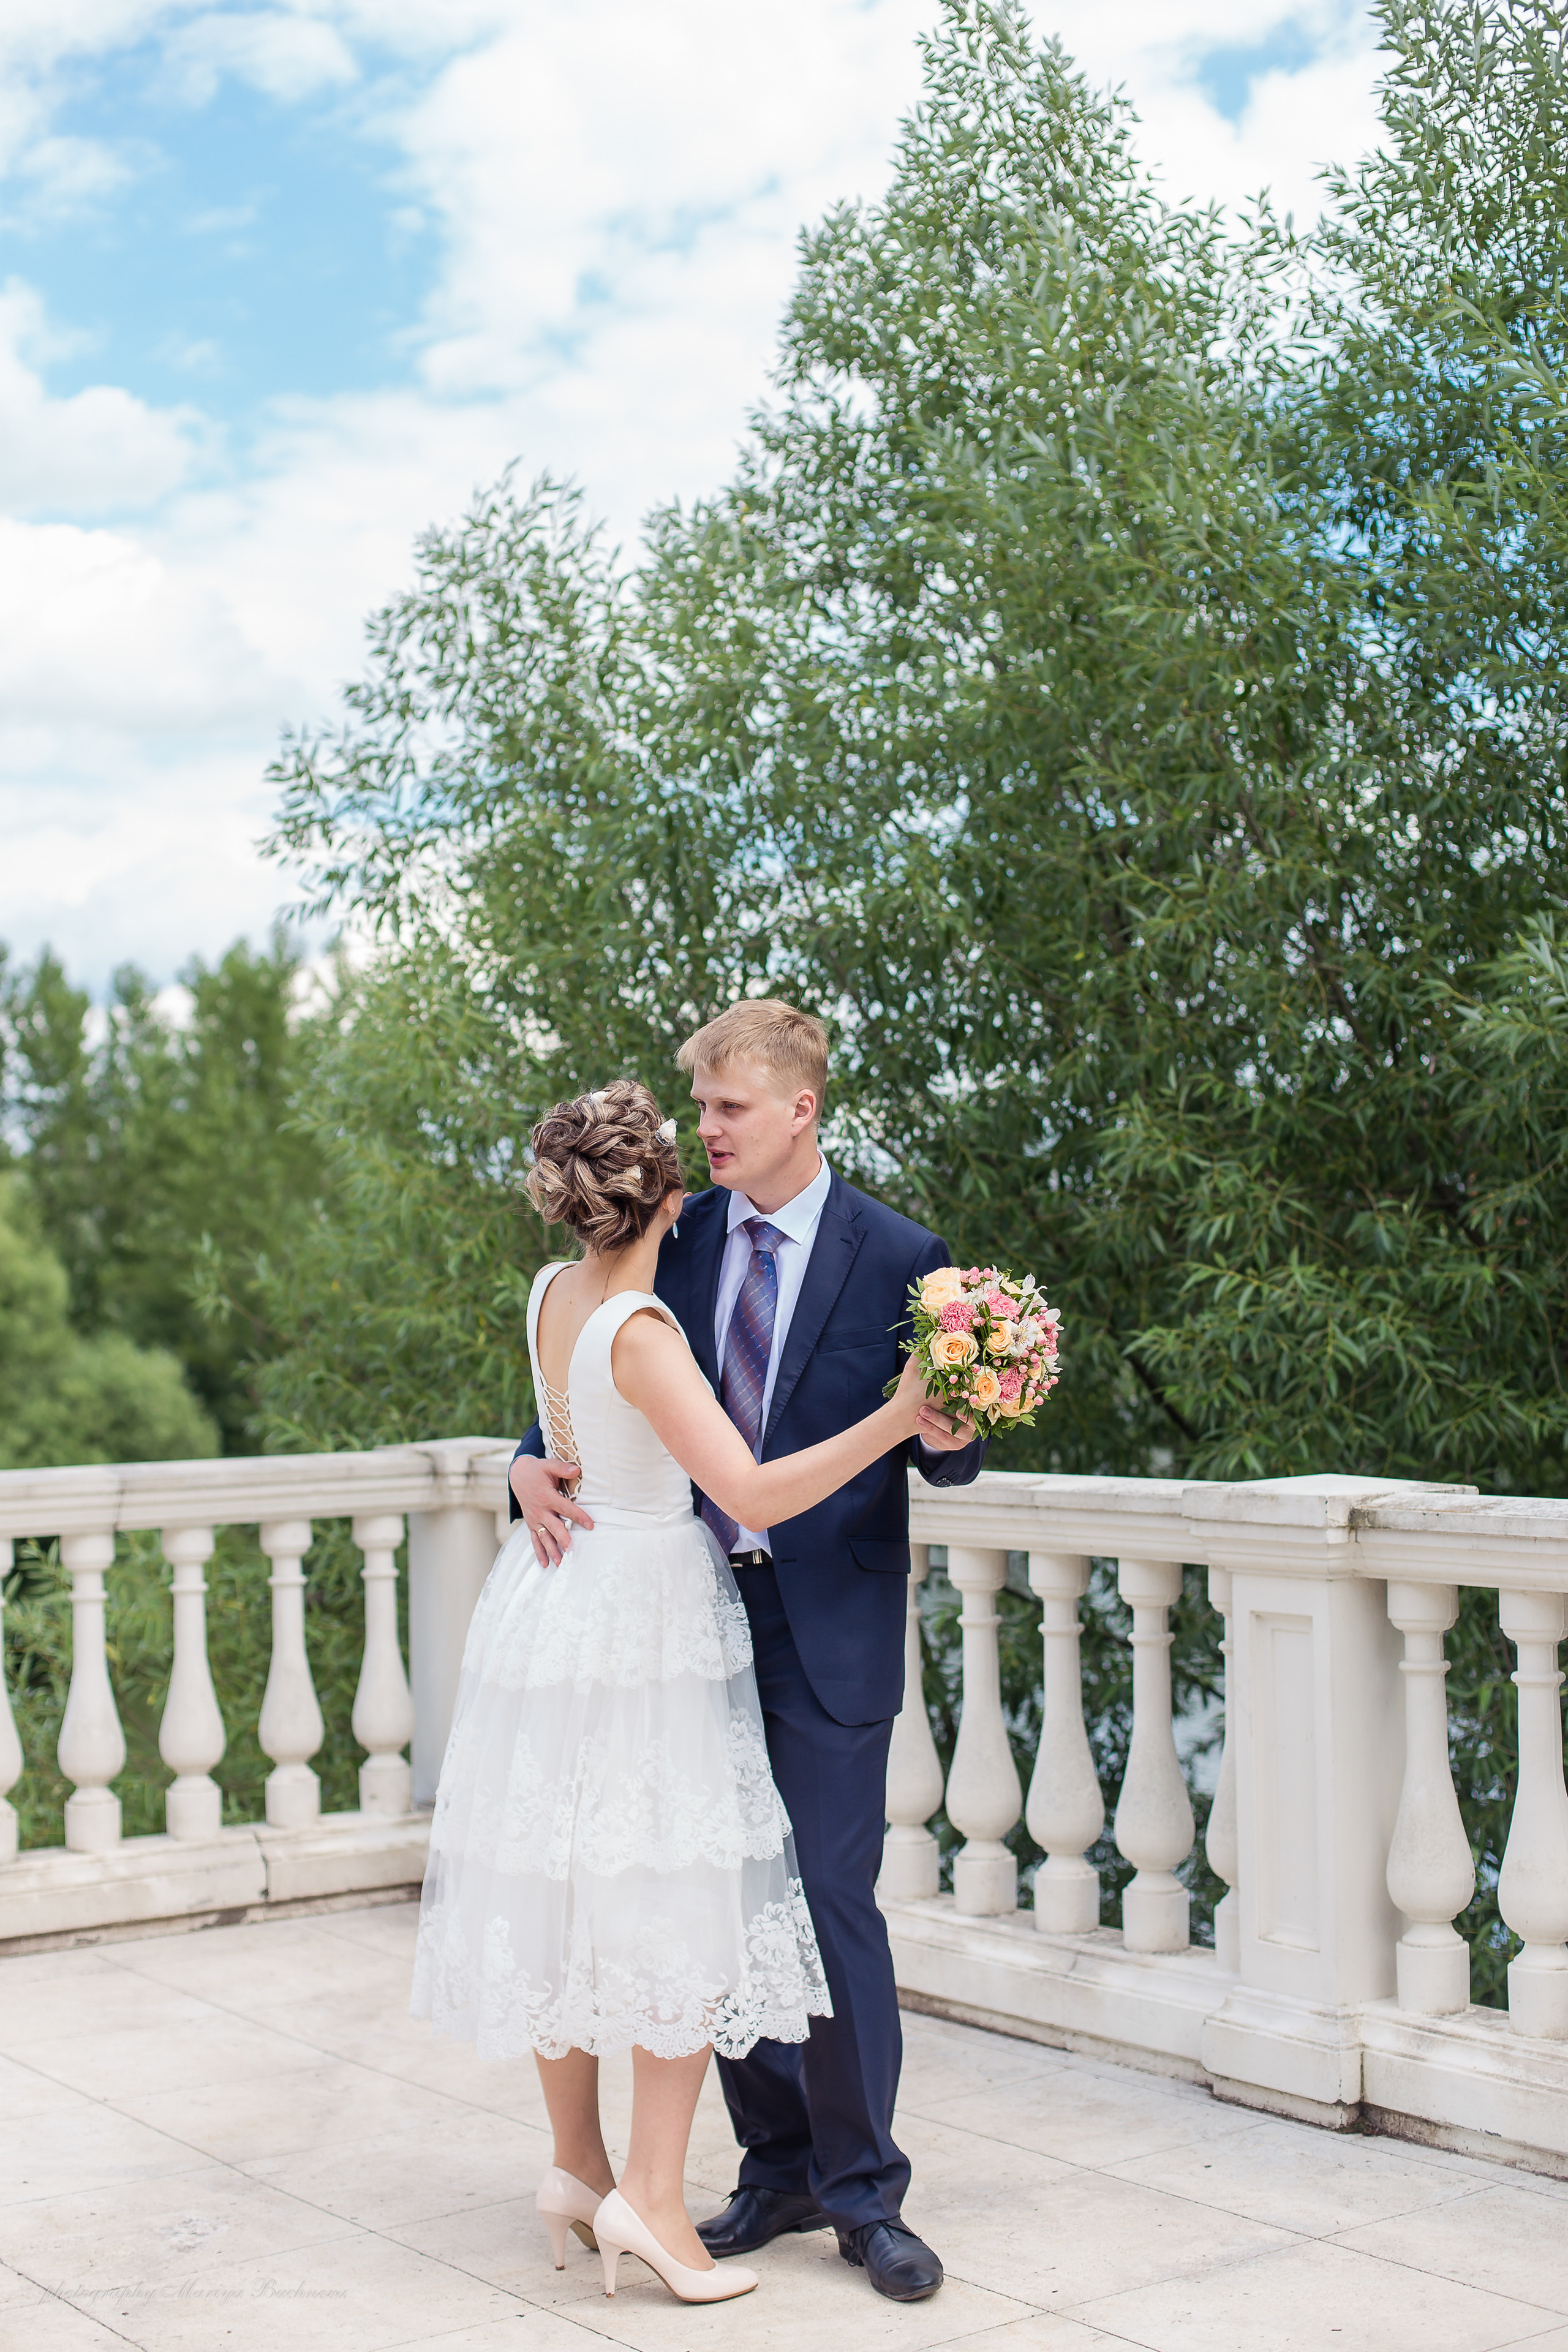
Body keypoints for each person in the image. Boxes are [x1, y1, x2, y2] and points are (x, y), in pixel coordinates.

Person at [412, 1077, 933, 2309]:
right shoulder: (644, 1324)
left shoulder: (553, 1292)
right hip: (646, 1614)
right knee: (675, 1900)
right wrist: (900, 1414)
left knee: (567, 1886)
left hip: (556, 1606)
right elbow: (745, 1492)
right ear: (669, 1198)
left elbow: (561, 1421)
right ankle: (650, 2199)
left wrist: (531, 1460)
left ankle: (578, 2168)